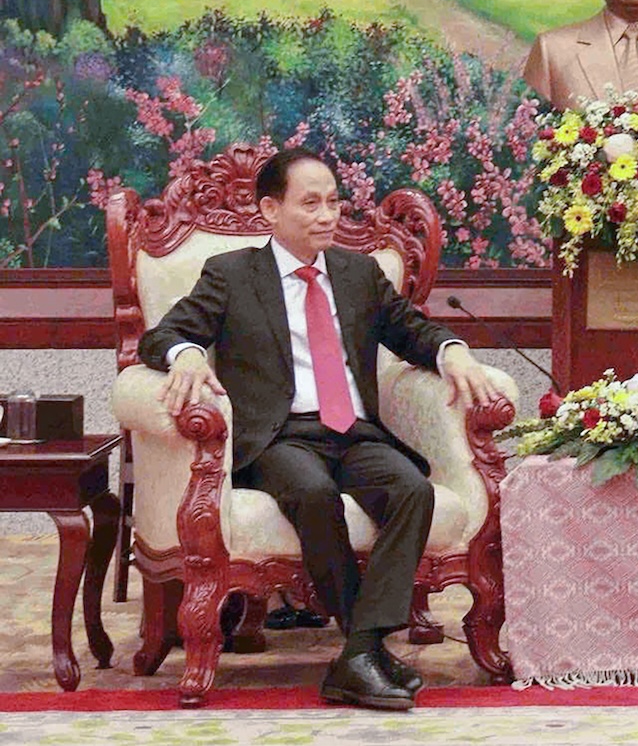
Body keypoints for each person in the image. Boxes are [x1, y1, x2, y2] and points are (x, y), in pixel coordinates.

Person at [138, 149, 500, 711]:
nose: (327, 215)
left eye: (333, 201)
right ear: (270, 209)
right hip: (279, 437)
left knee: (412, 490)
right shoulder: (232, 275)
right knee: (313, 492)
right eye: (310, 203)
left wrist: (452, 351)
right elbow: (160, 337)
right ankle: (366, 652)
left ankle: (358, 653)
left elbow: (412, 330)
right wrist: (185, 354)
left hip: (355, 432)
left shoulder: (359, 273)